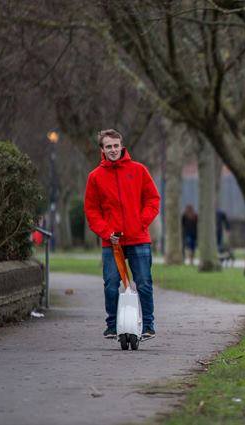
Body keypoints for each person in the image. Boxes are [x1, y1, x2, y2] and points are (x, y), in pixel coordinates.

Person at [84, 129, 160, 340]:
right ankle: (112, 325)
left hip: (138, 239)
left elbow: (153, 200)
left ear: (122, 146)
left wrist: (140, 223)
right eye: (108, 146)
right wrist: (107, 232)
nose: (113, 150)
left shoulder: (139, 170)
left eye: (116, 145)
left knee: (144, 283)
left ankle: (148, 325)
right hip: (112, 242)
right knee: (110, 284)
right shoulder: (95, 177)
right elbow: (92, 211)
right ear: (102, 149)